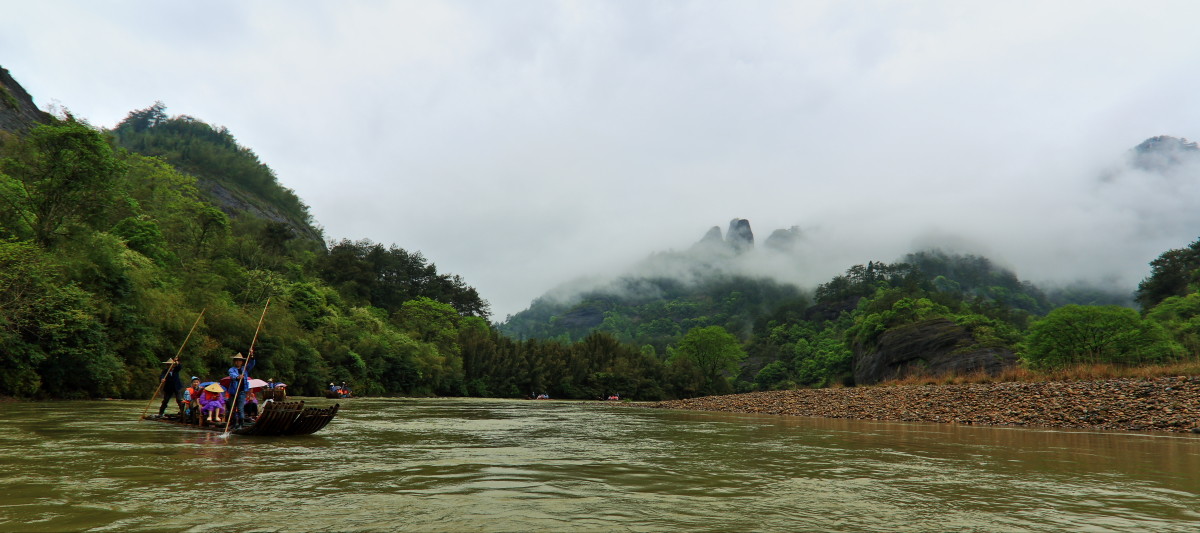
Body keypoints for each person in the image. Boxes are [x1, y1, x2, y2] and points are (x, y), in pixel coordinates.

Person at [226, 352, 256, 429]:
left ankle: (241, 424)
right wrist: (237, 377)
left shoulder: (245, 369)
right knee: (232, 408)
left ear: (242, 362)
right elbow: (232, 375)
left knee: (240, 408)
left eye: (239, 360)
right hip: (233, 392)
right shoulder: (232, 369)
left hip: (242, 392)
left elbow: (251, 364)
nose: (238, 362)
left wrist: (252, 356)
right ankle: (233, 423)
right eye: (236, 360)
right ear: (234, 362)